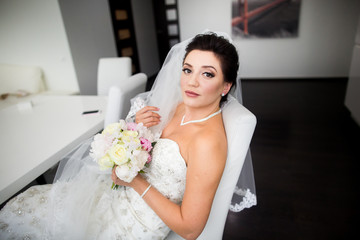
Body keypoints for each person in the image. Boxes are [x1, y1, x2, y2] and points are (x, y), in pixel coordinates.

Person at [0, 31, 256, 240]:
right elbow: (148, 150)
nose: (192, 82)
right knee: (25, 207)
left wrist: (135, 181)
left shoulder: (207, 144)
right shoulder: (180, 107)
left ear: (225, 86)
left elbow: (190, 229)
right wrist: (138, 127)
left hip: (134, 224)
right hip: (117, 196)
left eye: (207, 73)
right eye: (188, 70)